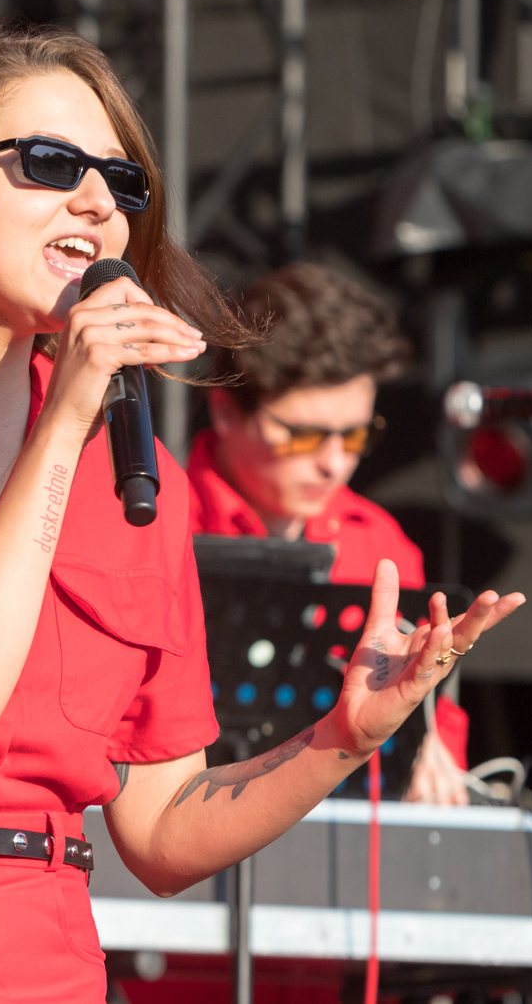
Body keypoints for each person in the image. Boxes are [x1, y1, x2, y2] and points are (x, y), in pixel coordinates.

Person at [0, 23, 523, 1001]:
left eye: (122, 182)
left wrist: (344, 733)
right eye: (49, 164)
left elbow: (165, 831)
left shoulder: (133, 479)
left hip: (41, 952)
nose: (98, 202)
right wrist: (66, 418)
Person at [190, 263, 471, 803]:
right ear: (225, 411)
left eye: (355, 435)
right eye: (303, 436)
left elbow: (439, 714)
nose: (334, 463)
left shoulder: (380, 542)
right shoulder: (151, 518)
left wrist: (425, 743)